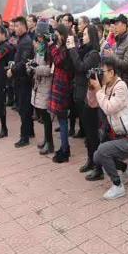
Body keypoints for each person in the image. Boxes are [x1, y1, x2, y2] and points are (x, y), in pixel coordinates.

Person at [90, 57, 128, 200]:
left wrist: (98, 89)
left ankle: (118, 186)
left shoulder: (121, 86)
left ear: (112, 72)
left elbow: (109, 108)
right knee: (97, 157)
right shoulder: (105, 86)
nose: (100, 75)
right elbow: (93, 104)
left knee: (103, 150)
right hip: (119, 137)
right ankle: (127, 169)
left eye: (102, 72)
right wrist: (92, 87)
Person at [67, 24, 101, 176]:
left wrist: (73, 50)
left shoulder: (94, 54)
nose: (83, 36)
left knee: (92, 133)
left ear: (92, 36)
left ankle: (98, 165)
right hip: (80, 95)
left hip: (89, 98)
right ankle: (90, 159)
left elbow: (81, 67)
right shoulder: (84, 50)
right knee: (88, 132)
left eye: (86, 34)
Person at [7, 16, 35, 147]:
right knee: (24, 107)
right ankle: (29, 131)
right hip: (20, 78)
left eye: (17, 26)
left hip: (24, 79)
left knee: (23, 108)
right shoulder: (22, 40)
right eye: (14, 26)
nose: (15, 28)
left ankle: (24, 137)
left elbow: (24, 62)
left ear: (24, 26)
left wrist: (12, 70)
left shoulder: (26, 41)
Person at [48, 24, 73, 163]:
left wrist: (52, 46)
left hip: (62, 86)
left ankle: (65, 150)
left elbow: (57, 61)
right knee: (61, 119)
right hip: (59, 84)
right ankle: (64, 147)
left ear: (63, 35)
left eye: (57, 35)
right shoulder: (61, 48)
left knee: (62, 120)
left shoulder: (67, 50)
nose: (55, 37)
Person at [30, 20, 53, 154]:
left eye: (40, 35)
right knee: (43, 116)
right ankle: (46, 139)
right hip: (39, 84)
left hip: (46, 85)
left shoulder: (50, 48)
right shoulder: (40, 47)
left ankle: (50, 143)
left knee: (46, 116)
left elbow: (50, 69)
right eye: (37, 35)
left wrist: (37, 69)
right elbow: (37, 62)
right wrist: (32, 64)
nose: (38, 38)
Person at [104, 14, 128, 95]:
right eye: (114, 24)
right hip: (115, 83)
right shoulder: (116, 43)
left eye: (117, 24)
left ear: (124, 26)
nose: (115, 27)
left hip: (124, 85)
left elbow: (126, 65)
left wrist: (112, 56)